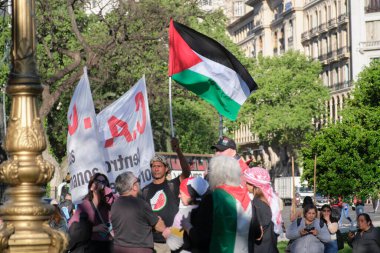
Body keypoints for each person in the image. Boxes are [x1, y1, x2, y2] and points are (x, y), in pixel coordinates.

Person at [181, 156, 256, 253]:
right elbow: (257, 231)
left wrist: (187, 225)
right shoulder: (247, 198)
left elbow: (200, 238)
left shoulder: (212, 198)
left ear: (215, 174)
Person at [141, 138, 191, 253]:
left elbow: (187, 172)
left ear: (166, 168)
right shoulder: (145, 191)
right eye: (153, 166)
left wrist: (178, 150)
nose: (156, 168)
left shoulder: (173, 185)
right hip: (155, 243)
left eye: (159, 166)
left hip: (175, 238)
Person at [111, 172, 166, 253]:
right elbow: (160, 227)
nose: (139, 184)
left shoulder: (114, 205)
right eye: (138, 181)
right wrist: (159, 222)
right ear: (134, 187)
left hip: (119, 248)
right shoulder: (140, 204)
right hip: (140, 249)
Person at [69, 173, 115, 253]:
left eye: (104, 182)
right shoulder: (84, 205)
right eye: (97, 181)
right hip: (92, 247)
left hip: (108, 246)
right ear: (91, 187)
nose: (101, 184)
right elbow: (73, 228)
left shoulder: (109, 204)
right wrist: (95, 229)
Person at [163, 177, 210, 252]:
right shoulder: (210, 211)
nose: (179, 196)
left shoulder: (182, 214)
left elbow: (174, 244)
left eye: (181, 193)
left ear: (189, 195)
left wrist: (168, 235)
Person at [243, 167, 281, 253]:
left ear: (254, 185)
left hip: (260, 249)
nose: (245, 184)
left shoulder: (256, 204)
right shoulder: (269, 202)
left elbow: (257, 233)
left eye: (247, 182)